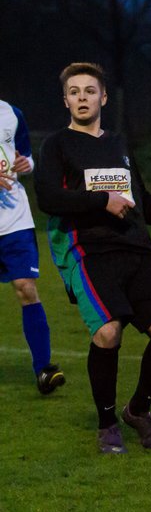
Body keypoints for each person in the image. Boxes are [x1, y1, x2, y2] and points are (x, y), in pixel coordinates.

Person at [35, 62, 151, 454]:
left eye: (89, 90)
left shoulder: (118, 144)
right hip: (89, 250)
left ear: (103, 97)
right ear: (65, 101)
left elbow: (143, 203)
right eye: (74, 92)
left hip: (137, 250)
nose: (82, 97)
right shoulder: (57, 145)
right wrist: (102, 201)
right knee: (107, 332)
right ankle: (107, 426)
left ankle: (138, 410)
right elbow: (49, 199)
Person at [0, 97, 62, 395]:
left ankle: (44, 370)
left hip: (14, 218)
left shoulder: (11, 113)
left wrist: (28, 163)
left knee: (26, 287)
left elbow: (24, 155)